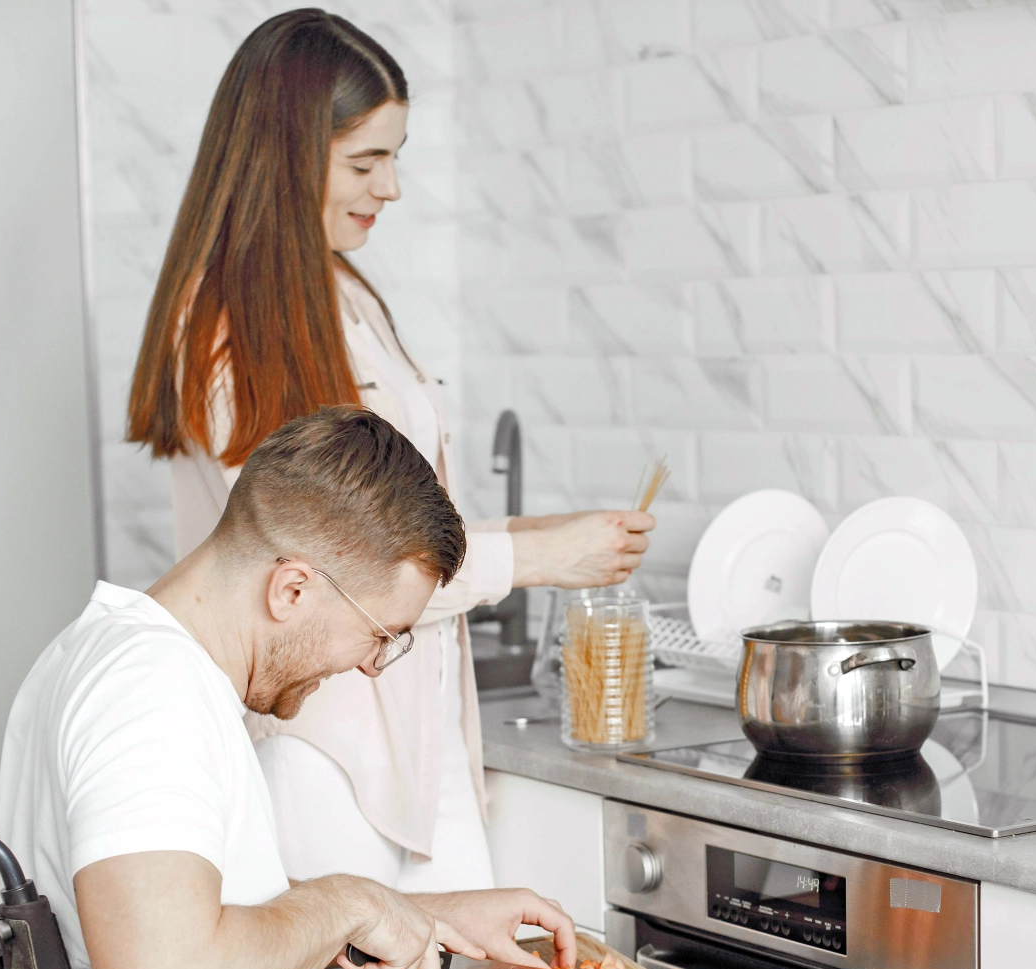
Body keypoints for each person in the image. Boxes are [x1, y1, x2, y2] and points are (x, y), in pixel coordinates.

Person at [0, 408, 733, 969]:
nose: (367, 665)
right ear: (293, 588)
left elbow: (188, 928)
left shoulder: (100, 655)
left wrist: (420, 912)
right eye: (382, 635)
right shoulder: (151, 705)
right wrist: (348, 901)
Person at [126, 9, 655, 894]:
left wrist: (538, 531)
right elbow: (335, 553)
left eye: (395, 157)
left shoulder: (345, 295)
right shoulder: (227, 332)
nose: (393, 188)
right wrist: (537, 556)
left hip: (417, 734)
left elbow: (396, 512)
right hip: (322, 744)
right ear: (285, 156)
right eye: (366, 162)